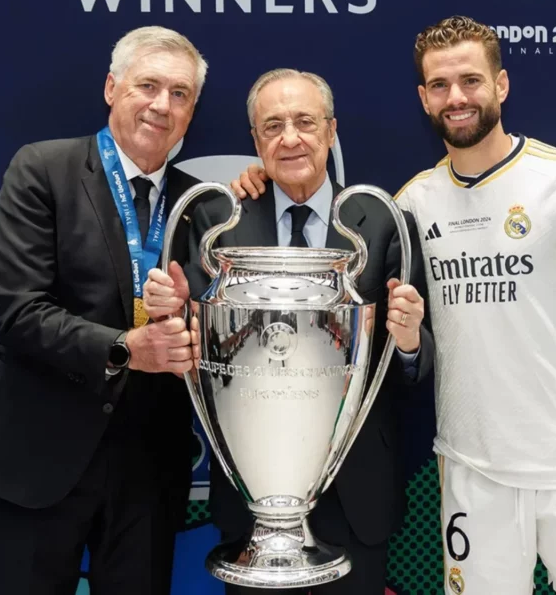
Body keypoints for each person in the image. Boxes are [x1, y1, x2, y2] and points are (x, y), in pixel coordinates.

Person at [231, 16, 556, 595]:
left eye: (470, 80)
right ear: (422, 97)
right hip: (470, 471)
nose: (456, 97)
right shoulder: (410, 204)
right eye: (439, 85)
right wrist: (260, 177)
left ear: (501, 85)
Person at [141, 67, 435, 595]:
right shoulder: (217, 221)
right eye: (272, 126)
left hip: (356, 491)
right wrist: (169, 313)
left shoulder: (385, 219)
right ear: (255, 141)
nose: (290, 138)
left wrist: (410, 341)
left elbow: (418, 367)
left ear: (331, 131)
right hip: (251, 497)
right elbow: (189, 346)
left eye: (305, 122)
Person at [0, 26, 206, 595]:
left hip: (150, 465)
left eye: (180, 94)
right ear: (112, 88)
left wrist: (194, 318)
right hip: (40, 452)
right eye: (149, 85)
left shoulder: (203, 204)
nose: (162, 105)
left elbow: (214, 337)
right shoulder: (43, 169)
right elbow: (16, 310)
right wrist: (123, 347)